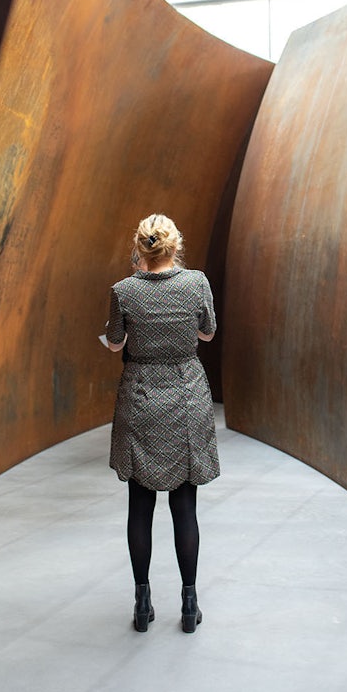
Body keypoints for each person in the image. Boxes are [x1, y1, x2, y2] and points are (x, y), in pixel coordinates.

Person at [103, 213, 219, 634]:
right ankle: (189, 604)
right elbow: (207, 334)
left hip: (141, 400)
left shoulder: (124, 292)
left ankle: (142, 601)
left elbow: (115, 342)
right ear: (176, 245)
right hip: (186, 397)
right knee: (184, 506)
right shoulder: (196, 283)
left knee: (140, 506)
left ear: (140, 249)